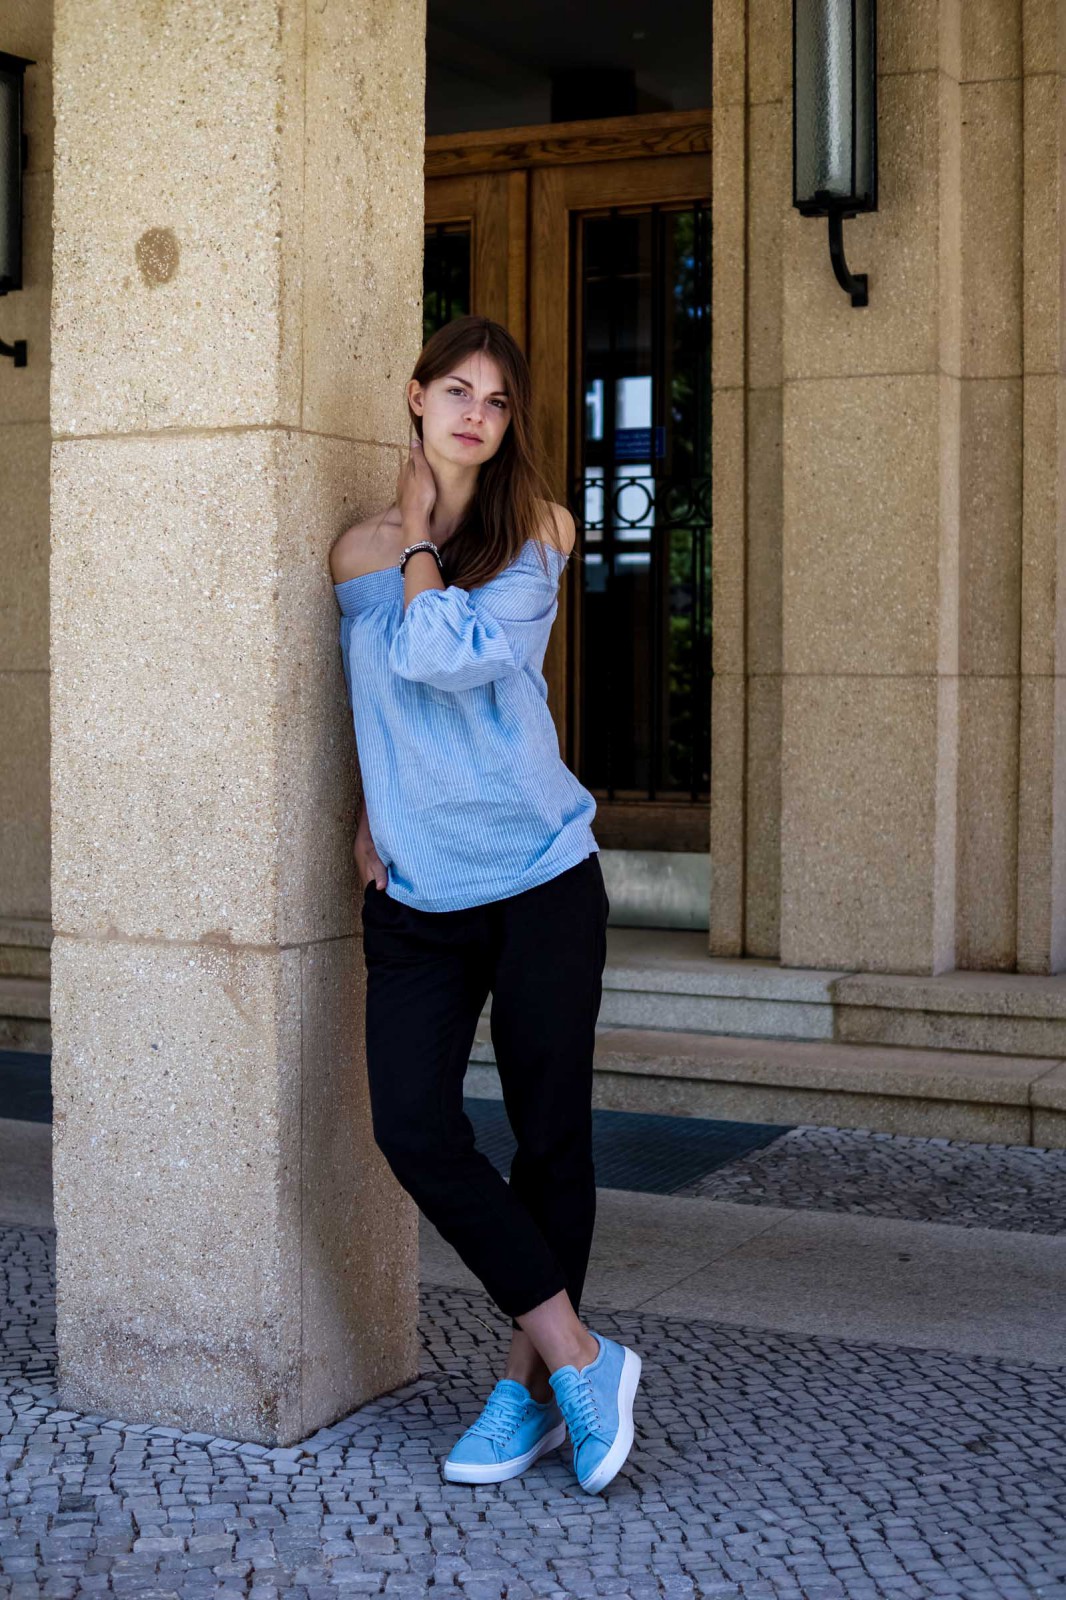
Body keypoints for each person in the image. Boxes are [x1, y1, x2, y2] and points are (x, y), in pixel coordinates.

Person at [329, 315, 642, 1494]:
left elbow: (444, 658)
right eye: (453, 390)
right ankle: (579, 1352)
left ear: (511, 422)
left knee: (550, 1134)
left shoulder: (537, 535)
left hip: (542, 878)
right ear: (414, 399)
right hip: (418, 890)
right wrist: (372, 810)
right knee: (413, 1124)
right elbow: (370, 702)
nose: (472, 412)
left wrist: (417, 538)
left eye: (496, 400)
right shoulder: (349, 552)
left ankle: (523, 1391)